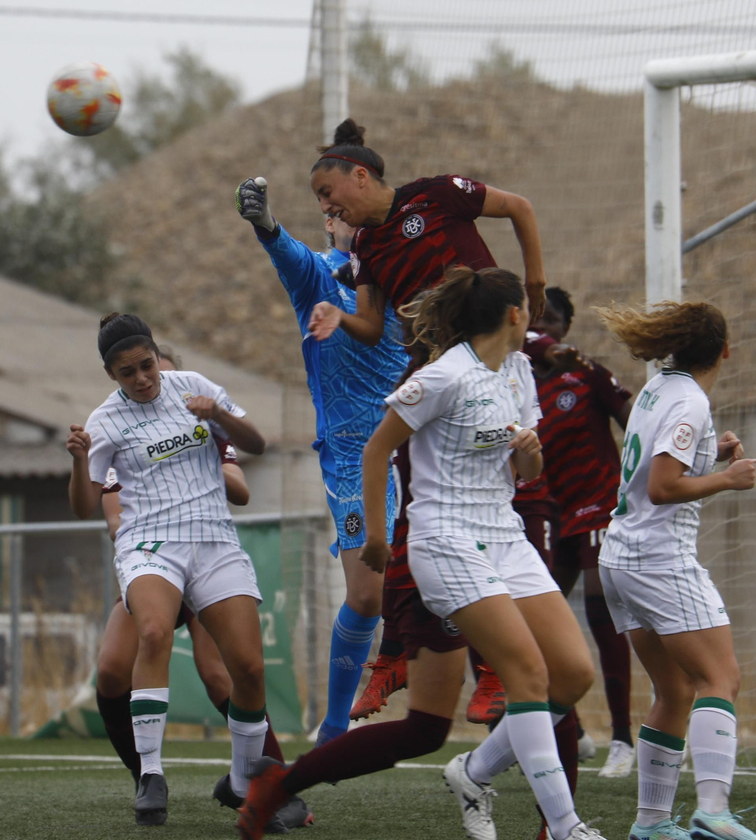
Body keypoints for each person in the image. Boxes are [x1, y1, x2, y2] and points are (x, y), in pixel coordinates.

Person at [240, 268, 608, 840]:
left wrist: (530, 452)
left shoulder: (517, 370)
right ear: (514, 315)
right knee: (528, 676)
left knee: (571, 674)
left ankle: (473, 772)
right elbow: (376, 450)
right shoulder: (442, 376)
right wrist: (378, 538)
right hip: (446, 541)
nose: (535, 318)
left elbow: (526, 471)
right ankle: (565, 828)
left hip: (504, 535)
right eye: (529, 308)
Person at [302, 118, 551, 727]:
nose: (326, 207)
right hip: (434, 368)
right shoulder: (365, 248)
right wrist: (338, 316)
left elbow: (519, 208)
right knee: (421, 512)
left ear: (362, 176)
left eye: (328, 193)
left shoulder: (436, 195)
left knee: (502, 497)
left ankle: (492, 669)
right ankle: (396, 654)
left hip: (490, 361)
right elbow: (372, 324)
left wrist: (535, 281)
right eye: (320, 200)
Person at [70, 345, 308, 830]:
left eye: (153, 370)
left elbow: (240, 483)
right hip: (152, 557)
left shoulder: (200, 412)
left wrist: (208, 440)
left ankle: (263, 784)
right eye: (130, 373)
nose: (145, 381)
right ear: (114, 376)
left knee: (232, 671)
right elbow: (110, 515)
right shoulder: (113, 425)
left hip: (207, 548)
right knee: (113, 670)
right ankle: (146, 774)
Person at [232, 179, 409, 744]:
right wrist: (266, 225)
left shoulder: (401, 277)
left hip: (420, 448)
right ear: (330, 222)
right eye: (337, 212)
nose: (350, 218)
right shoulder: (319, 275)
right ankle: (333, 725)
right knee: (367, 594)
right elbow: (289, 256)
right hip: (355, 457)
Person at [594, 300, 756, 840]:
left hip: (620, 557)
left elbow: (654, 464)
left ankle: (650, 823)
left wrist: (710, 456)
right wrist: (728, 478)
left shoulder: (658, 387)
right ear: (725, 351)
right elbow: (663, 487)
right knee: (721, 678)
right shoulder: (692, 401)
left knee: (674, 690)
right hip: (658, 560)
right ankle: (712, 813)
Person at [532, 288, 638, 779]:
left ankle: (622, 739)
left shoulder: (586, 373)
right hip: (550, 517)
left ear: (566, 328)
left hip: (598, 507)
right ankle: (571, 730)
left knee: (601, 611)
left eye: (552, 320)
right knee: (539, 625)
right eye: (535, 320)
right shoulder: (514, 383)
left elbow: (633, 422)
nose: (543, 328)